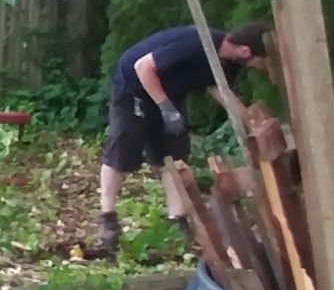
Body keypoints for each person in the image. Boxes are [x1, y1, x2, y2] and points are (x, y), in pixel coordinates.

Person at [97, 22, 269, 251]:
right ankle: (107, 218)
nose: (258, 68)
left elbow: (221, 90)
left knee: (174, 154)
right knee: (122, 150)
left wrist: (250, 120)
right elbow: (144, 67)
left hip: (168, 91)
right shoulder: (195, 44)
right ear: (246, 51)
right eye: (260, 62)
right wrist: (166, 109)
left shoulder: (225, 62)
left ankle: (176, 222)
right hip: (134, 88)